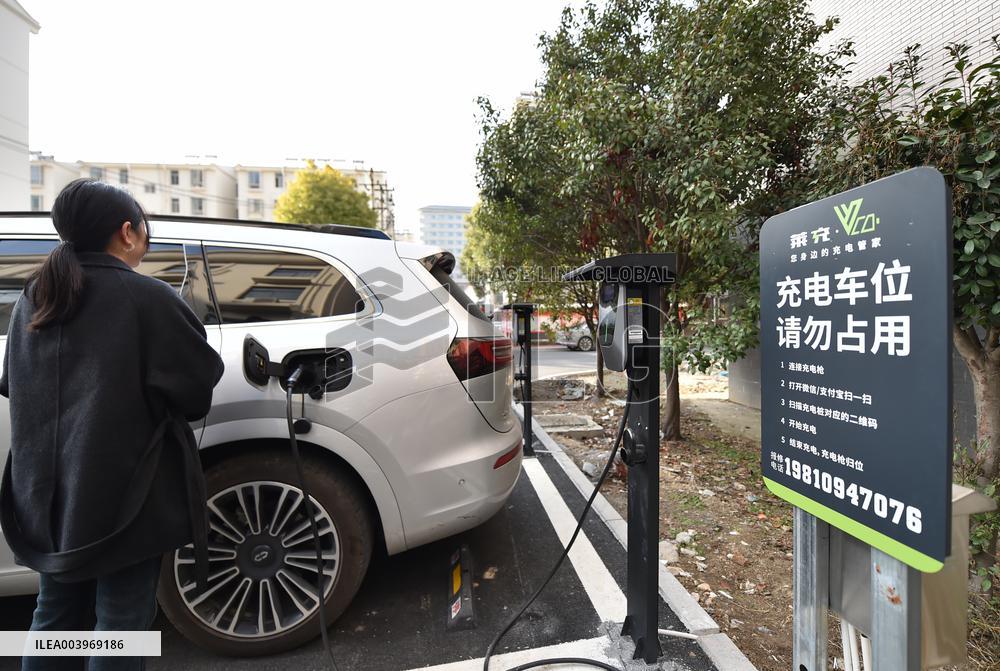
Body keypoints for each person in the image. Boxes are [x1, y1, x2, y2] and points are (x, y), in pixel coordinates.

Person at [0, 179, 225, 670]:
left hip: (45, 497)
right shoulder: (148, 297)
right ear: (127, 232)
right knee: (120, 622)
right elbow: (194, 395)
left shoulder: (35, 295)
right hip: (125, 495)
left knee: (53, 615)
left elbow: (14, 384)